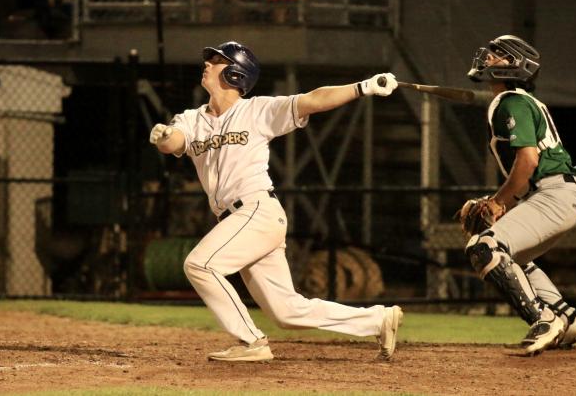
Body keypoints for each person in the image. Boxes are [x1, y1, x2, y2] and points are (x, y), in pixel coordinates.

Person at [149, 40, 402, 362]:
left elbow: (313, 100)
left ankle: (250, 342)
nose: (208, 63)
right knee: (287, 311)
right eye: (211, 59)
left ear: (236, 74)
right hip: (237, 220)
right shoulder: (192, 118)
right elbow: (175, 142)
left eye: (217, 60)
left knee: (200, 264)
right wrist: (164, 137)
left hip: (256, 211)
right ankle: (378, 319)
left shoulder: (256, 110)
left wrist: (362, 87)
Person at [463, 34, 576, 355]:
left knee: (485, 247)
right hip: (557, 194)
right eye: (490, 53)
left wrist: (498, 201)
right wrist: (501, 201)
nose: (489, 58)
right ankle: (568, 319)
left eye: (498, 55)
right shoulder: (513, 101)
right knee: (515, 258)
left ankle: (543, 319)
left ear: (516, 66)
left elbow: (529, 159)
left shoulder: (512, 101)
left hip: (555, 195)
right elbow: (530, 169)